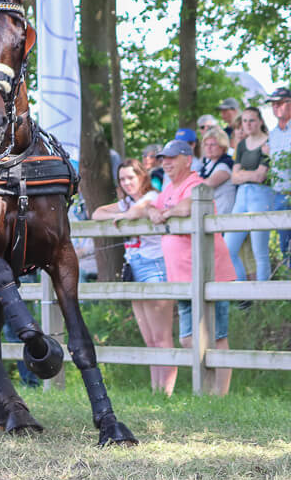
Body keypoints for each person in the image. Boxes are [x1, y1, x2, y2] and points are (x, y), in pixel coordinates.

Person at [144, 140, 234, 396]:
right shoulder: (170, 188)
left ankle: (220, 395)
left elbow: (190, 205)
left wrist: (167, 212)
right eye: (163, 159)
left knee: (216, 336)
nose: (166, 163)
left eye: (172, 158)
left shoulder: (195, 183)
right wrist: (152, 210)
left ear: (187, 159)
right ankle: (208, 392)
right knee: (187, 339)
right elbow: (154, 206)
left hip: (209, 273)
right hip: (182, 277)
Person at [92, 159, 176, 394]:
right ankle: (155, 390)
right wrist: (119, 214)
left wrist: (125, 214)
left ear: (142, 176)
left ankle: (166, 393)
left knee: (161, 336)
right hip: (134, 267)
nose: (127, 183)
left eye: (131, 177)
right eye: (122, 179)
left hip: (154, 265)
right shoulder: (126, 202)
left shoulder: (152, 197)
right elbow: (97, 213)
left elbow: (136, 212)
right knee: (149, 338)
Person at [223, 106, 274, 283]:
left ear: (260, 121)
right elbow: (234, 177)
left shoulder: (268, 142)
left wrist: (243, 175)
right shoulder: (242, 145)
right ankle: (243, 294)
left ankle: (263, 298)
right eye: (244, 121)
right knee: (229, 247)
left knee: (259, 250)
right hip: (242, 197)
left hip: (261, 196)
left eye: (252, 120)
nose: (248, 124)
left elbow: (262, 176)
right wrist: (247, 176)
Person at [265, 87, 291, 263]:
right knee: (285, 245)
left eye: (280, 103)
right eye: (273, 104)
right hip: (279, 193)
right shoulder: (272, 135)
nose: (276, 107)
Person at [198, 127, 236, 215]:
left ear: (223, 147)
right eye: (206, 144)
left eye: (213, 145)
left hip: (223, 214)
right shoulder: (207, 164)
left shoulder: (226, 164)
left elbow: (208, 184)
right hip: (211, 213)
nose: (208, 148)